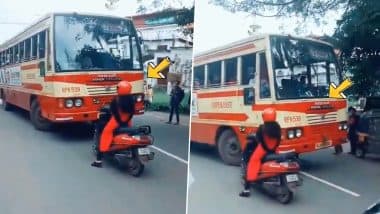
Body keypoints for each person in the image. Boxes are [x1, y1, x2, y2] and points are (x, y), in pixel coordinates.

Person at [91, 81, 136, 168]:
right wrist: (125, 121)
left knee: (105, 133)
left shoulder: (117, 100)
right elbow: (132, 113)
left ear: (121, 89)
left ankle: (99, 160)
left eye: (118, 88)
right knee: (129, 133)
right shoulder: (131, 99)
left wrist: (119, 121)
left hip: (116, 121)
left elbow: (114, 112)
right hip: (127, 121)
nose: (117, 89)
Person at [239, 108, 282, 197]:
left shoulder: (262, 127)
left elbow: (258, 139)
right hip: (274, 149)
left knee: (253, 162)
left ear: (264, 116)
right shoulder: (277, 127)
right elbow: (279, 139)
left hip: (263, 150)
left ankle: (247, 189)